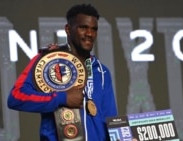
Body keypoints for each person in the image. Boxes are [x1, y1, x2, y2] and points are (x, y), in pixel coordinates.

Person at [7, 3, 118, 141]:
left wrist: (123, 137)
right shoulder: (48, 61)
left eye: (94, 29)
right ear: (68, 29)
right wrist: (61, 98)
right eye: (83, 27)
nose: (89, 34)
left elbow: (111, 121)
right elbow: (16, 97)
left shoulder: (102, 72)